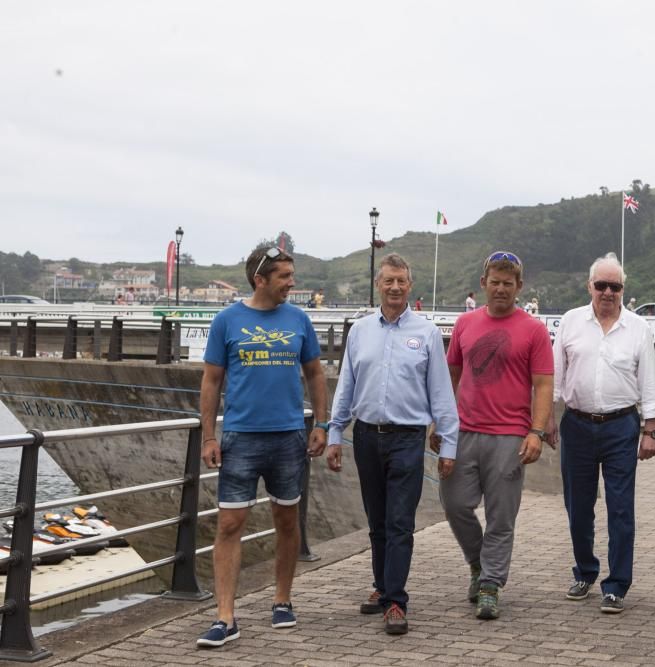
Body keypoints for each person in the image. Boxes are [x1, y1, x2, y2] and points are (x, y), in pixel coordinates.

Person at [196, 246, 328, 648]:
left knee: (287, 521)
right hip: (240, 437)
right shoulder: (227, 321)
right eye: (285, 276)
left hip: (288, 435)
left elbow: (315, 373)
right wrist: (208, 435)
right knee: (230, 524)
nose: (292, 283)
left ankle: (282, 600)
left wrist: (320, 424)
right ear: (260, 279)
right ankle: (225, 617)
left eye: (291, 274)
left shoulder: (299, 319)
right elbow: (211, 381)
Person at [327, 254, 459, 635]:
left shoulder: (427, 333)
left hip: (407, 439)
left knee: (400, 521)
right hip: (366, 436)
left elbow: (441, 394)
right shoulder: (360, 331)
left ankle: (397, 601)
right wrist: (336, 433)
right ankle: (382, 587)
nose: (395, 287)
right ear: (378, 284)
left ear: (410, 285)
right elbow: (346, 387)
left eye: (401, 281)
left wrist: (447, 446)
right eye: (389, 281)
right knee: (377, 521)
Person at [438, 250, 554, 620]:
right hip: (465, 430)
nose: (501, 289)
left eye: (508, 283)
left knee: (501, 517)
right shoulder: (465, 324)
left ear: (519, 287)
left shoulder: (534, 330)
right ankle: (478, 563)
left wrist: (535, 431)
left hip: (509, 436)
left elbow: (543, 384)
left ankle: (490, 584)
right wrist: (439, 424)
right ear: (483, 283)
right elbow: (449, 377)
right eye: (495, 281)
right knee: (455, 504)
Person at [549, 253, 655, 614]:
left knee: (620, 508)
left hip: (621, 426)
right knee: (578, 507)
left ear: (623, 289)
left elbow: (649, 381)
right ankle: (585, 571)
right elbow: (555, 376)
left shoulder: (638, 329)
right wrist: (549, 418)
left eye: (615, 286)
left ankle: (616, 585)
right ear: (590, 286)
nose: (608, 292)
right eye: (602, 285)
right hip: (577, 424)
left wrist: (651, 430)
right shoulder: (570, 322)